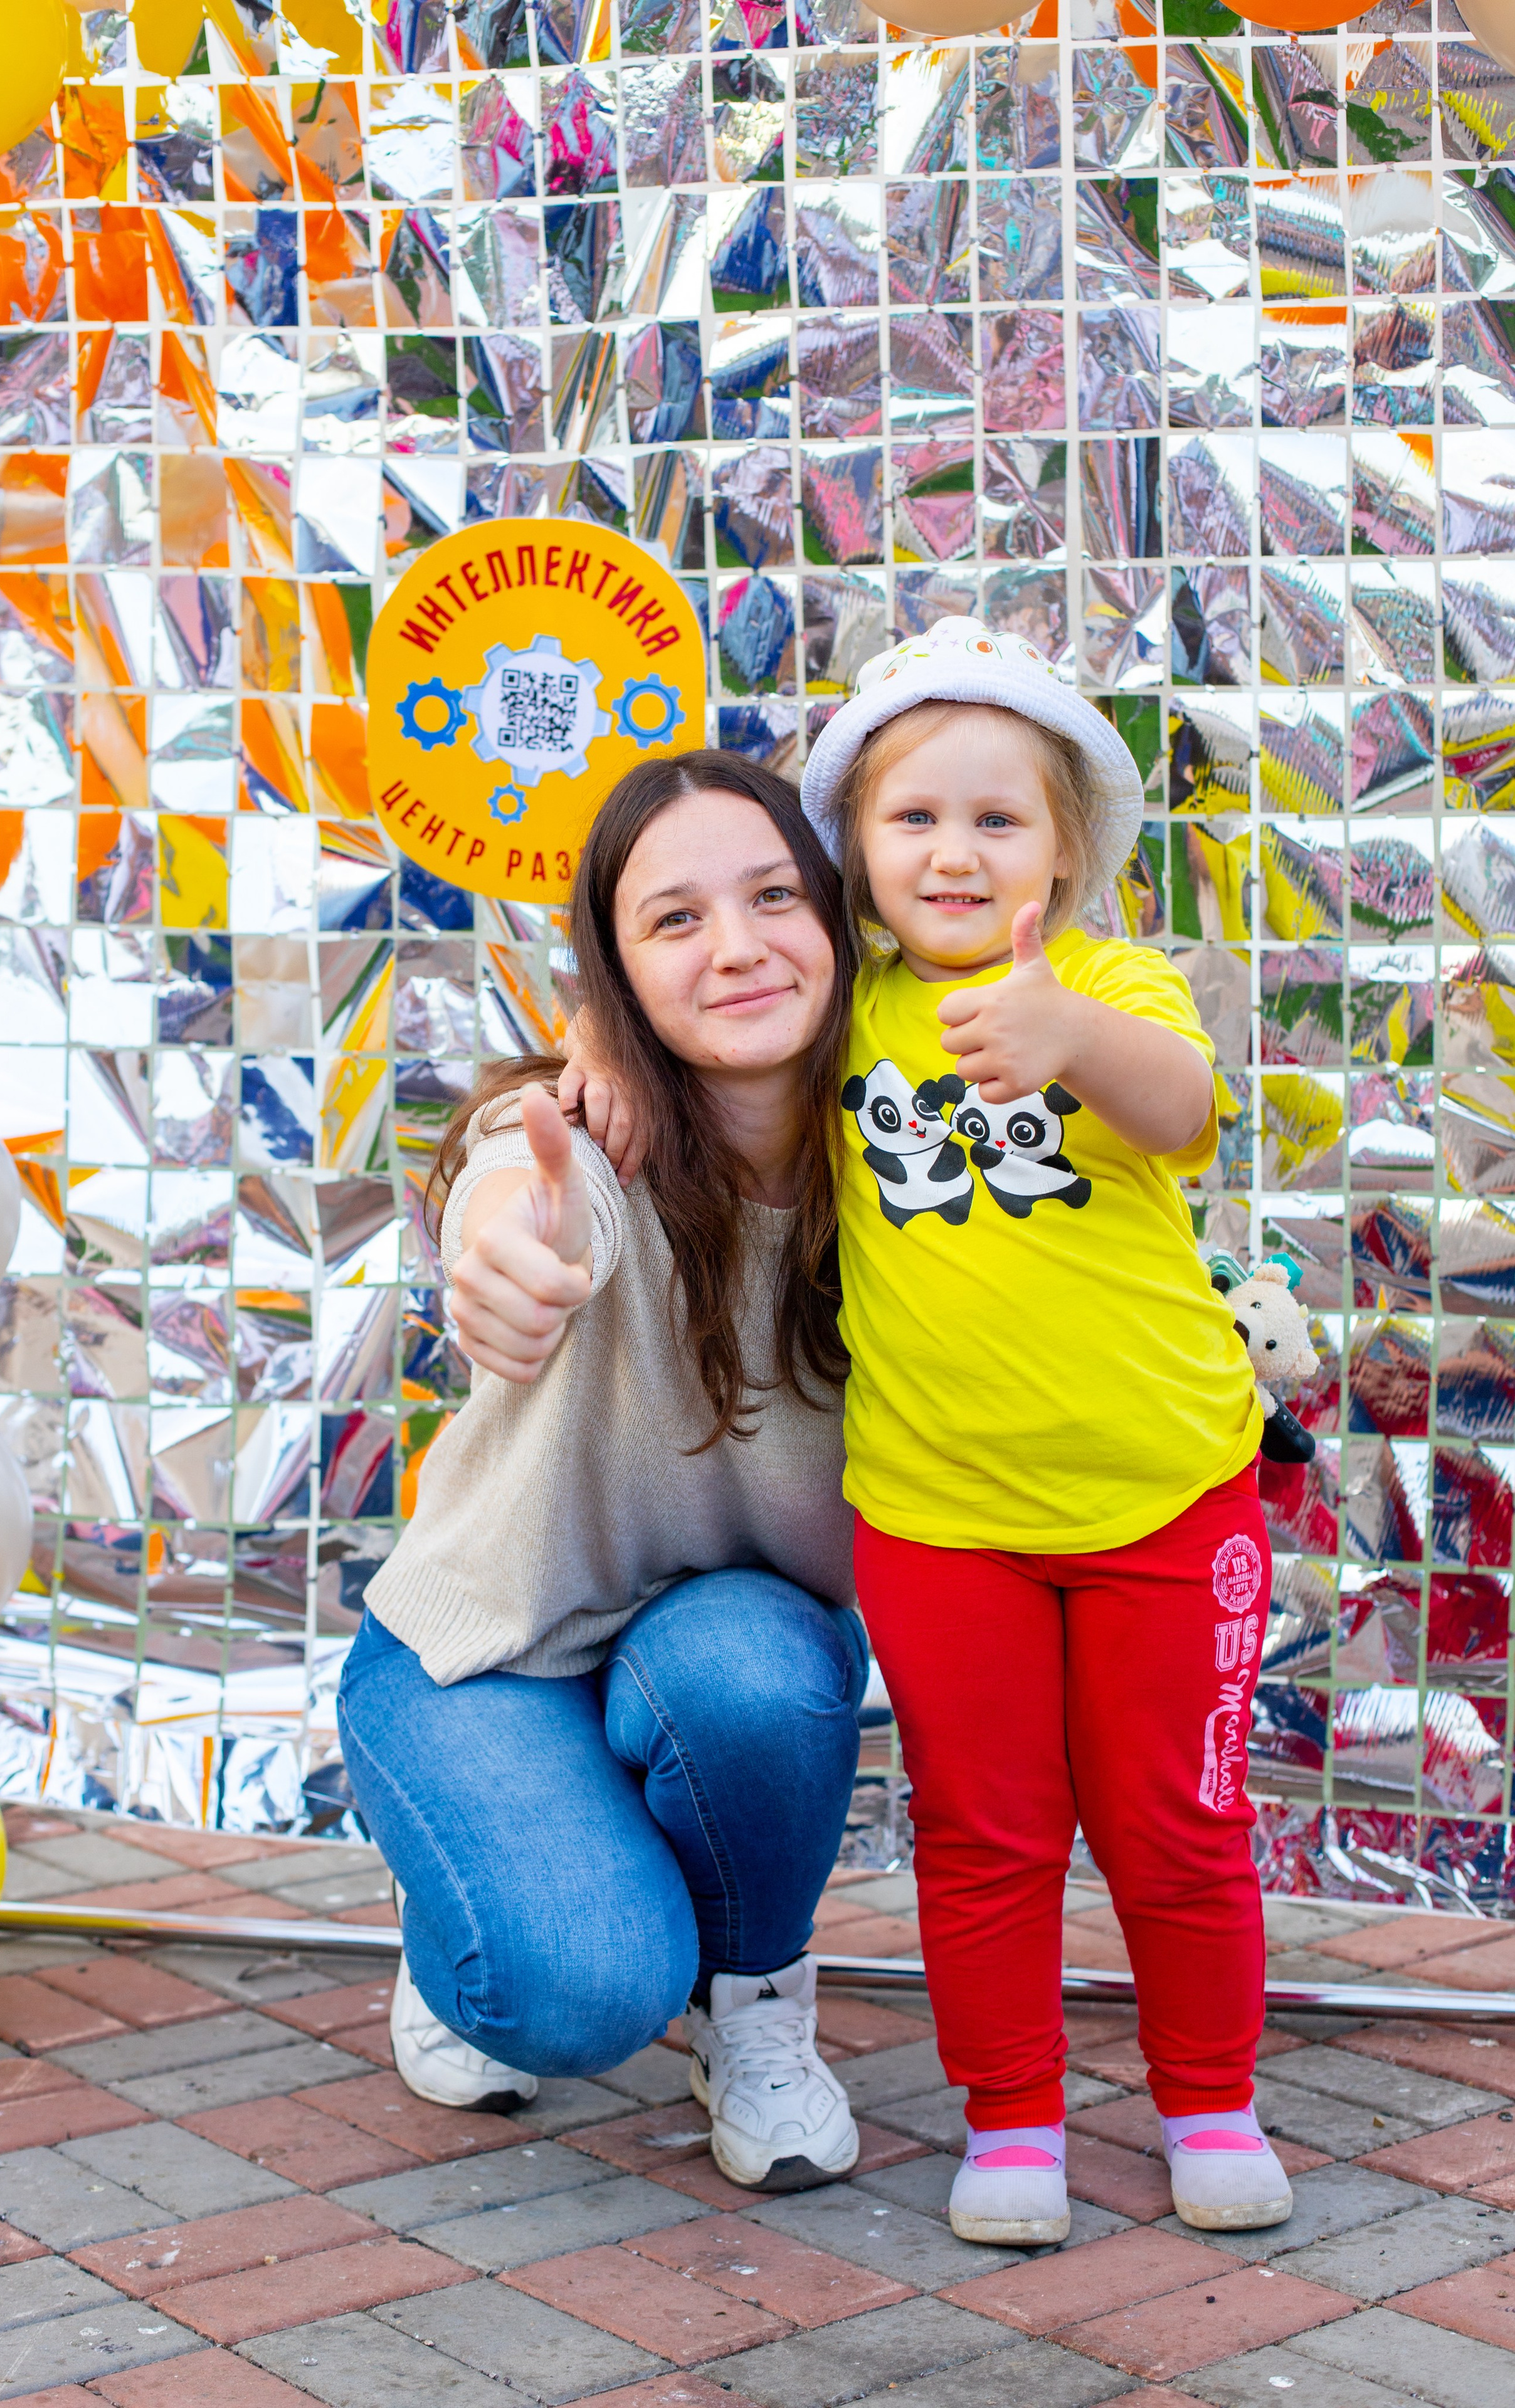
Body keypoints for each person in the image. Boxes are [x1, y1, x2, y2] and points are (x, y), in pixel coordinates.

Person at [800, 620, 1283, 2244]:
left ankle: (1210, 2100)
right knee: (983, 1833)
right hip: (941, 1521)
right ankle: (1010, 2120)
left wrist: (1067, 1037)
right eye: (914, 817)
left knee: (1175, 1826)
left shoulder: (1110, 986)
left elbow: (1183, 1106)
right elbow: (695, 1052)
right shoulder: (840, 1014)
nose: (954, 851)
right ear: (857, 851)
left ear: (1064, 852)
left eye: (996, 818)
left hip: (1167, 1500)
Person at [337, 750, 872, 2194]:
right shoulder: (580, 1142)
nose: (737, 945)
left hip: (716, 1648)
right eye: (674, 919)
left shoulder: (916, 1165)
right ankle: (462, 1905)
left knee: (758, 1673)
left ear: (839, 920)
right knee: (569, 1994)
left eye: (773, 896)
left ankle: (753, 2002)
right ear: (616, 971)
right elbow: (517, 1204)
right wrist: (506, 1262)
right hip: (484, 1651)